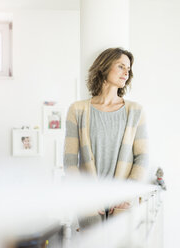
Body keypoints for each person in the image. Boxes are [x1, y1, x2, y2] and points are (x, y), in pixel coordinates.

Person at [63, 48, 149, 224]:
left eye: (129, 69)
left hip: (123, 203)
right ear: (104, 66)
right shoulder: (77, 110)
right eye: (121, 66)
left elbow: (143, 157)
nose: (127, 72)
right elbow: (70, 162)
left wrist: (125, 195)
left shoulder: (136, 111)